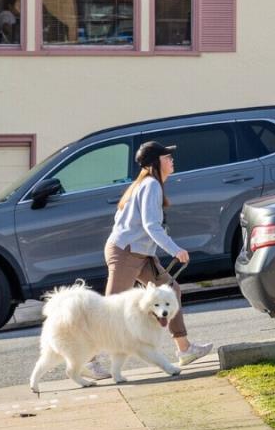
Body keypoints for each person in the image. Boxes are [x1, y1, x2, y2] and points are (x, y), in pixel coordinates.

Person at [90, 140, 212, 377]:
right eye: (167, 157)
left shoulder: (145, 184)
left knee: (171, 291)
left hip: (141, 253)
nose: (171, 160)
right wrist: (175, 249)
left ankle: (185, 349)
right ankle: (89, 361)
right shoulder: (151, 185)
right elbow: (151, 225)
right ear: (156, 162)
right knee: (109, 310)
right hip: (125, 253)